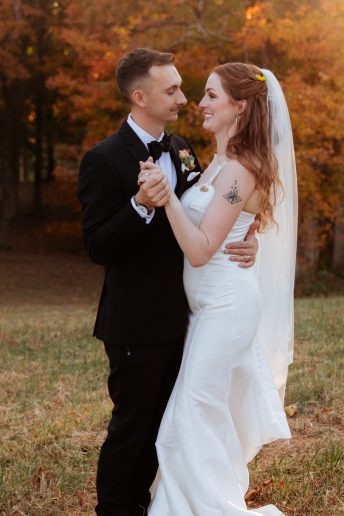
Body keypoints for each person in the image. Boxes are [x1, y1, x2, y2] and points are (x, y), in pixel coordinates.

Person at [78, 49, 259, 516]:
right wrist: (139, 204)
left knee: (171, 422)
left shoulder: (183, 147)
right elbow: (97, 246)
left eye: (185, 87)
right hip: (136, 319)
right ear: (140, 97)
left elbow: (218, 209)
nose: (184, 97)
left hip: (189, 315)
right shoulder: (104, 159)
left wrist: (251, 234)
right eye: (172, 89)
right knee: (133, 427)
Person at [139, 63, 298, 515]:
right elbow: (239, 222)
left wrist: (167, 196)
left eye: (211, 96)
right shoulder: (219, 164)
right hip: (206, 307)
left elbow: (203, 249)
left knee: (189, 415)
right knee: (202, 415)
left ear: (240, 106)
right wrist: (253, 236)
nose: (200, 104)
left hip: (226, 307)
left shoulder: (240, 168)